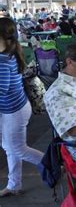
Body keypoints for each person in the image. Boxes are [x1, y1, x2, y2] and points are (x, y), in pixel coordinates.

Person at [0, 18, 44, 197]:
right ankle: (14, 184)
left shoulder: (3, 61)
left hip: (14, 112)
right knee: (10, 147)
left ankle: (54, 163)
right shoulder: (8, 54)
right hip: (12, 110)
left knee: (17, 148)